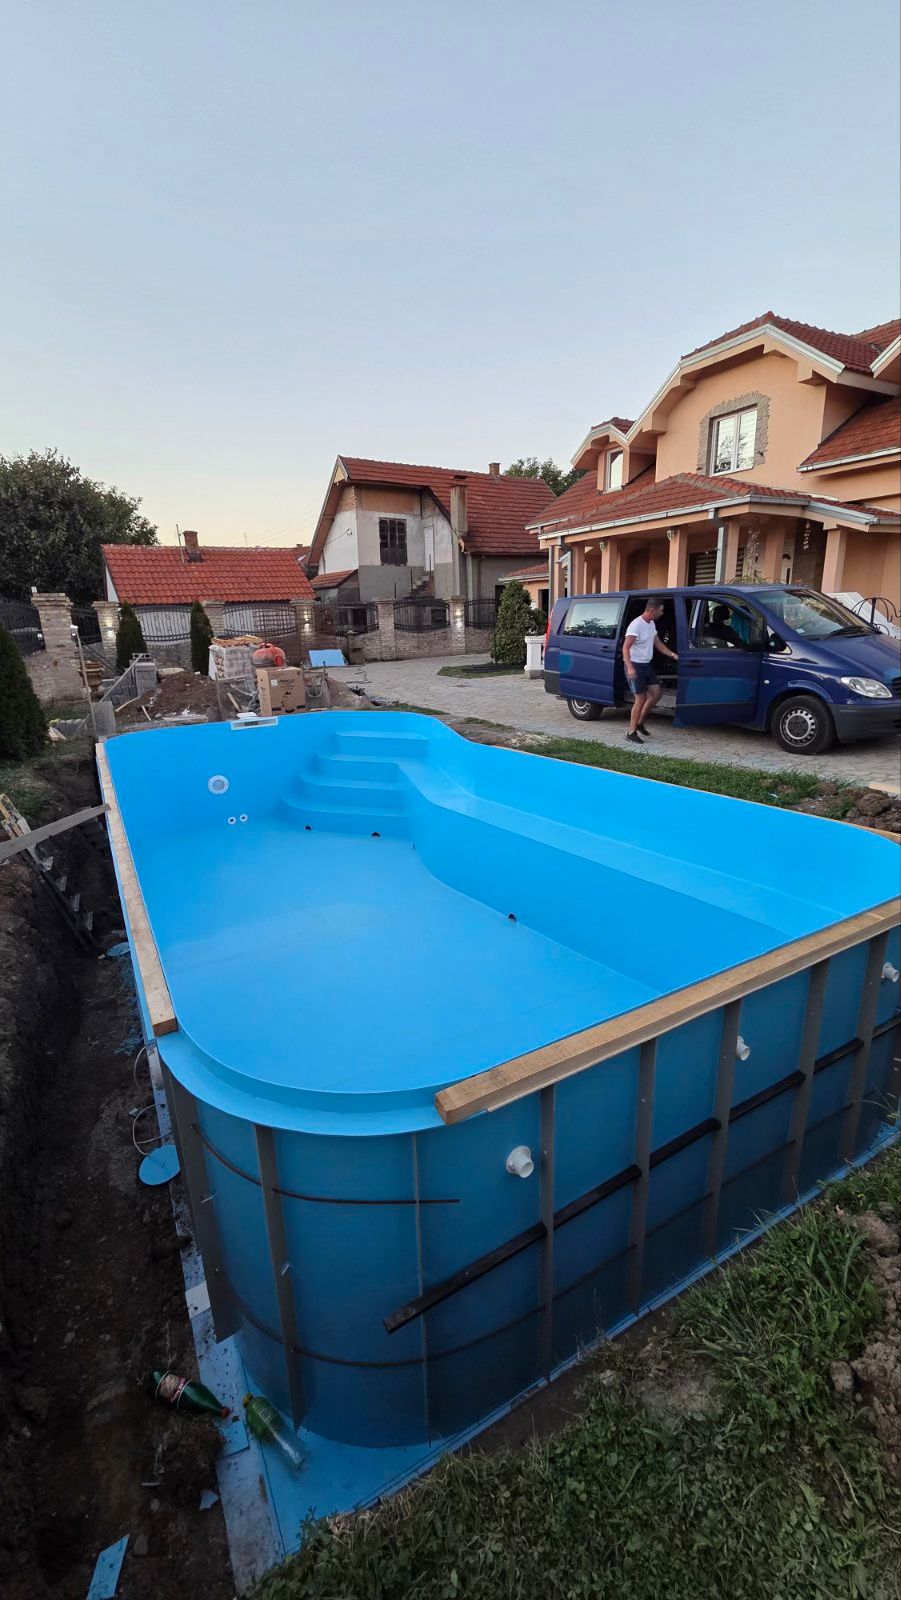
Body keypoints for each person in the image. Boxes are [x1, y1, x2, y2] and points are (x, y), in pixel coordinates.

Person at [622, 597, 678, 744]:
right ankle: (631, 732)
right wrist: (630, 668)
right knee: (640, 698)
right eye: (660, 610)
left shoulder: (651, 623)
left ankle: (639, 722)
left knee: (656, 693)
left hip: (646, 665)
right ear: (652, 610)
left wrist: (671, 654)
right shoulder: (636, 625)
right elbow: (625, 648)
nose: (662, 613)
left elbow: (657, 642)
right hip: (635, 665)